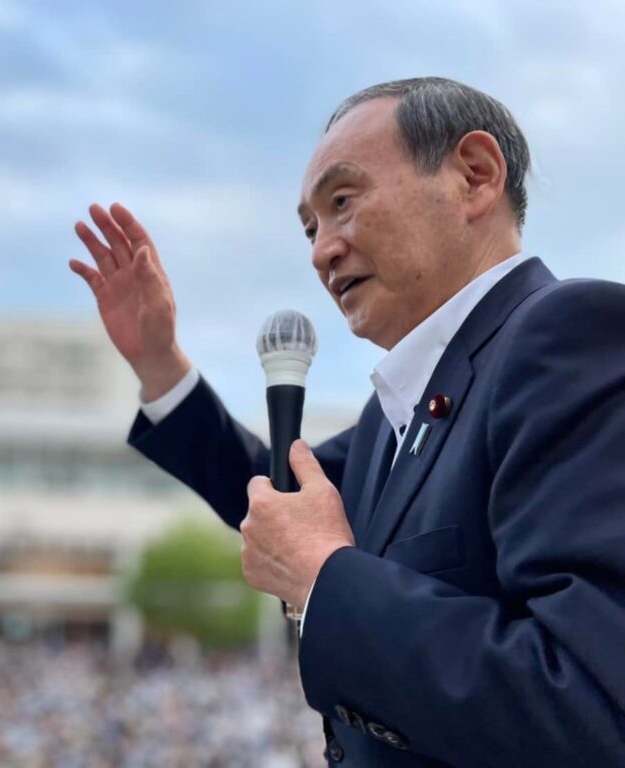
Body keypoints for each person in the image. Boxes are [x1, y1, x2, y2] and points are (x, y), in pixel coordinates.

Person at [69, 77, 625, 767]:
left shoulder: (570, 336)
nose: (320, 251)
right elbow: (276, 503)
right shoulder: (397, 414)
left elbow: (593, 702)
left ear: (474, 176)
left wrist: (328, 578)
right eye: (310, 227)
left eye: (342, 203)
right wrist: (161, 365)